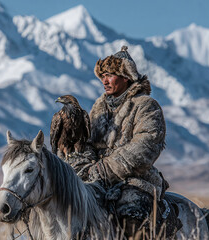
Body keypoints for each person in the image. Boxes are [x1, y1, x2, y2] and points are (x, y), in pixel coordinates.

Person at [67, 46, 181, 238]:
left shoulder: (146, 106)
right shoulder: (98, 106)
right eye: (102, 75)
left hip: (137, 182)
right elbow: (88, 142)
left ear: (126, 77)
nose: (104, 80)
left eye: (110, 75)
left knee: (131, 215)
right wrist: (82, 165)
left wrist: (103, 169)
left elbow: (146, 146)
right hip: (96, 180)